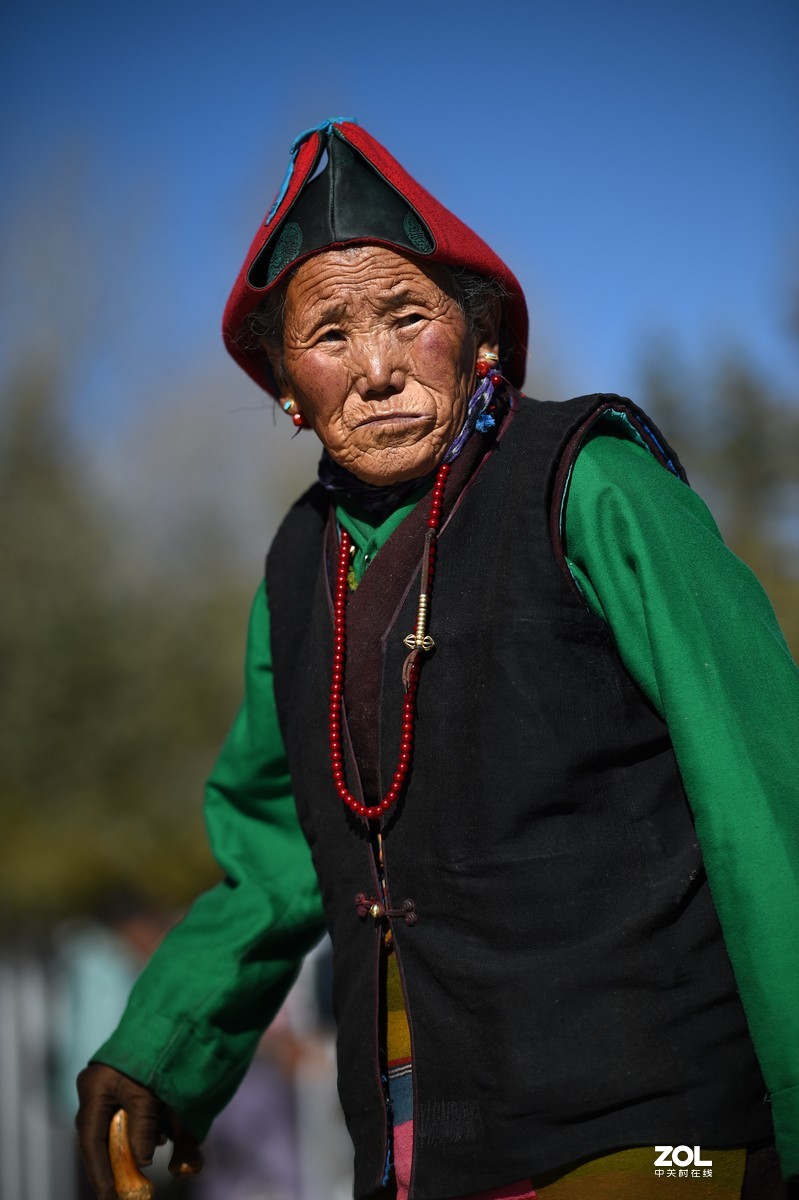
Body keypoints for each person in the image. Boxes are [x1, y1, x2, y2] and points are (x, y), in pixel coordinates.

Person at [75, 118, 799, 1200]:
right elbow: (277, 849)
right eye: (327, 336)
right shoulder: (296, 565)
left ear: (477, 333)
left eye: (408, 317)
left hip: (660, 1133)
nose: (375, 370)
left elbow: (764, 803)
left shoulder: (591, 486)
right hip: (428, 1150)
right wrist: (161, 1044)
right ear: (284, 385)